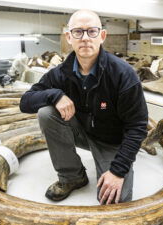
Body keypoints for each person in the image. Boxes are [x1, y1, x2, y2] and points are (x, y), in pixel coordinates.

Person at [19, 9, 148, 205]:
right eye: (78, 32)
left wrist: (118, 171)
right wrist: (55, 95)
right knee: (47, 113)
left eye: (92, 31)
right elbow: (25, 102)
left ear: (102, 36)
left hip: (111, 141)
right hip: (82, 132)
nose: (85, 38)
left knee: (115, 201)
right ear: (69, 37)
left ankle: (110, 165)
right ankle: (72, 176)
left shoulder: (123, 74)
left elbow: (138, 126)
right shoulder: (60, 73)